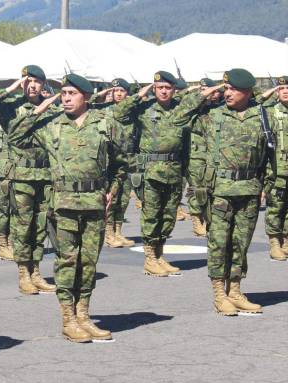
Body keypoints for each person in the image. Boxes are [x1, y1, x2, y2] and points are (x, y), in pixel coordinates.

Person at [26, 74, 127, 342]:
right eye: (63, 93)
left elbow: (122, 163)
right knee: (67, 262)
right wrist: (41, 107)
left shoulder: (106, 125)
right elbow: (15, 133)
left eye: (72, 93)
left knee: (88, 262)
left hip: (94, 204)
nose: (66, 98)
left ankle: (84, 315)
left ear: (87, 96)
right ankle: (68, 319)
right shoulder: (52, 125)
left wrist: (112, 191)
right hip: (63, 205)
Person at [193, 69, 272, 316]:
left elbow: (270, 154)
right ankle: (219, 294)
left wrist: (266, 187)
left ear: (248, 92)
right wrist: (205, 94)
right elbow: (178, 117)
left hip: (249, 189)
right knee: (219, 244)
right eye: (225, 89)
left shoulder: (262, 117)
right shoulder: (211, 116)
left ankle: (235, 291)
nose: (227, 93)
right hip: (220, 191)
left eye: (233, 89)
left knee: (240, 244)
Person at [0, 65, 56, 295]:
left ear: (43, 84)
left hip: (44, 175)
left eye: (36, 81)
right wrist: (11, 87)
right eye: (27, 81)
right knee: (22, 227)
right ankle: (24, 273)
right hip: (21, 176)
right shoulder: (11, 108)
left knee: (40, 226)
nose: (32, 86)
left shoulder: (51, 108)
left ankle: (36, 271)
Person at [114, 71, 200, 277]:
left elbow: (197, 103)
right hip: (150, 172)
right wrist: (139, 95)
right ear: (154, 88)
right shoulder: (145, 108)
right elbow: (119, 113)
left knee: (168, 216)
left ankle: (159, 255)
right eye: (159, 87)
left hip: (174, 171)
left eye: (167, 88)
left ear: (173, 89)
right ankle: (150, 259)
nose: (163, 91)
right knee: (151, 216)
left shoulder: (179, 109)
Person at [103, 79, 136, 248]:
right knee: (112, 199)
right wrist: (102, 93)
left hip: (128, 161)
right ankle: (108, 234)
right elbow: (91, 101)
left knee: (123, 200)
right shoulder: (105, 110)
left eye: (122, 90)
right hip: (112, 162)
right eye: (115, 90)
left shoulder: (132, 113)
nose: (118, 94)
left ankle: (118, 232)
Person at [187, 77, 222, 238]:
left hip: (214, 155)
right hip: (195, 155)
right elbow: (181, 97)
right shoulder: (192, 106)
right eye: (204, 90)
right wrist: (196, 91)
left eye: (213, 91)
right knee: (196, 188)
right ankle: (196, 220)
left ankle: (209, 219)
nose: (210, 94)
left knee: (211, 189)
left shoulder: (219, 108)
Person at [264, 76, 288, 260]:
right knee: (275, 207)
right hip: (276, 170)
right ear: (276, 92)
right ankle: (274, 242)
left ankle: (286, 239)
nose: (285, 91)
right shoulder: (270, 113)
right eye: (281, 88)